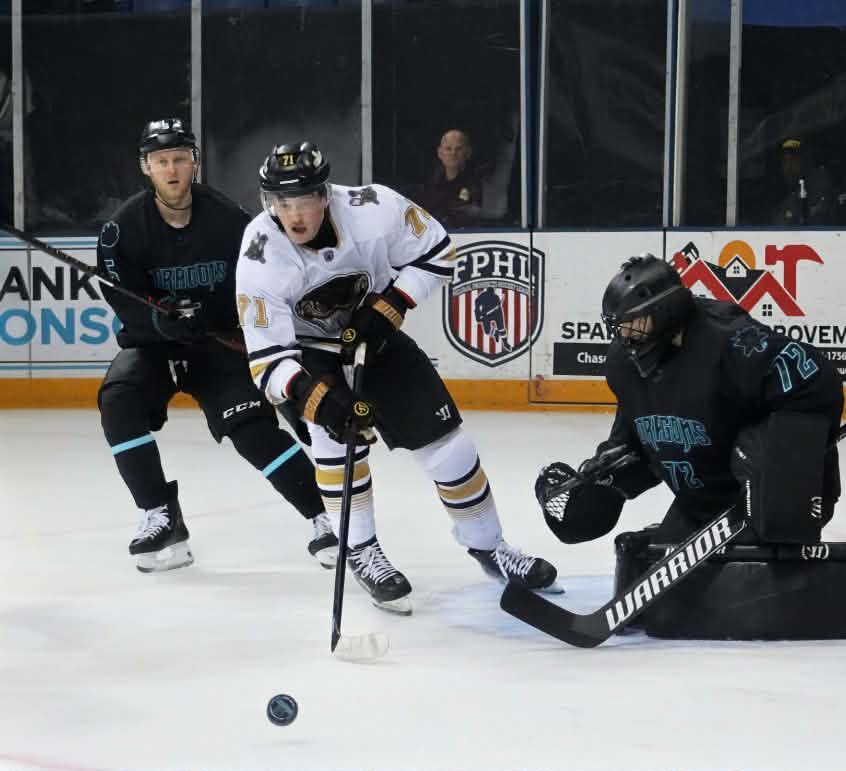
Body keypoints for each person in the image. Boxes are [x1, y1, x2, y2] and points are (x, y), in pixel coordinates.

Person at [234, 140, 561, 615]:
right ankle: (361, 551)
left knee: (451, 448)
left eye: (303, 201)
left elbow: (438, 252)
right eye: (282, 203)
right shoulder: (260, 253)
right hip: (308, 354)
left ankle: (490, 547)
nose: (294, 215)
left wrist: (390, 306)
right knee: (338, 448)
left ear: (324, 195)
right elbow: (267, 360)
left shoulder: (373, 208)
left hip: (375, 340)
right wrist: (319, 401)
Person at [97, 119, 335, 573]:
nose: (171, 169)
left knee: (251, 429)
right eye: (161, 161)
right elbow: (121, 298)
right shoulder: (121, 229)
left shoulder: (231, 221)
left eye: (179, 159)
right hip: (154, 347)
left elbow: (258, 284)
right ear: (146, 167)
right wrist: (160, 318)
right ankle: (161, 514)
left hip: (216, 343)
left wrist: (215, 318)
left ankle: (326, 515)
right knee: (118, 401)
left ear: (195, 163)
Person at [537, 254, 843, 551]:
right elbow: (640, 438)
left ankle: (775, 525)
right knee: (645, 566)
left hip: (776, 499)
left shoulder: (731, 342)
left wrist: (777, 458)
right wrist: (606, 478)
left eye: (635, 323)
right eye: (620, 327)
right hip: (702, 505)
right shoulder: (624, 364)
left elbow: (818, 379)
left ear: (666, 311)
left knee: (760, 477)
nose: (626, 336)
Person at [417, 129, 485, 229]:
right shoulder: (429, 184)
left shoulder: (479, 182)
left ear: (468, 152)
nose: (453, 153)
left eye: (459, 149)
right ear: (440, 153)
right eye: (448, 149)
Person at [771, 137, 835, 226]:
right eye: (785, 162)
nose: (789, 167)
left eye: (794, 160)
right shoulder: (782, 200)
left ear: (806, 161)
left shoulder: (821, 187)